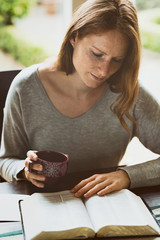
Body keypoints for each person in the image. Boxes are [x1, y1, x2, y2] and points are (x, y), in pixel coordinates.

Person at [0, 0, 160, 198]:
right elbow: (5, 160)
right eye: (97, 54)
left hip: (104, 209)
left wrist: (126, 176)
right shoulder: (26, 87)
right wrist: (24, 170)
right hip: (44, 207)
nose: (104, 70)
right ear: (74, 37)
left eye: (117, 60)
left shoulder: (130, 93)